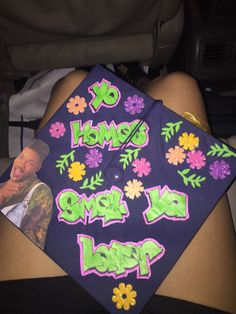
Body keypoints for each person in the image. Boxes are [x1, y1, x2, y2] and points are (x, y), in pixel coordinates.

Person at [0, 67, 235, 314]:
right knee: (179, 84)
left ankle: (133, 82)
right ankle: (139, 79)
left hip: (31, 297)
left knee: (75, 82)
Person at [0, 139, 53, 249]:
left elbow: (31, 244)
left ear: (37, 168)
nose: (21, 164)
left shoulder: (41, 193)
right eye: (21, 157)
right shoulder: (2, 186)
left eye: (30, 163)